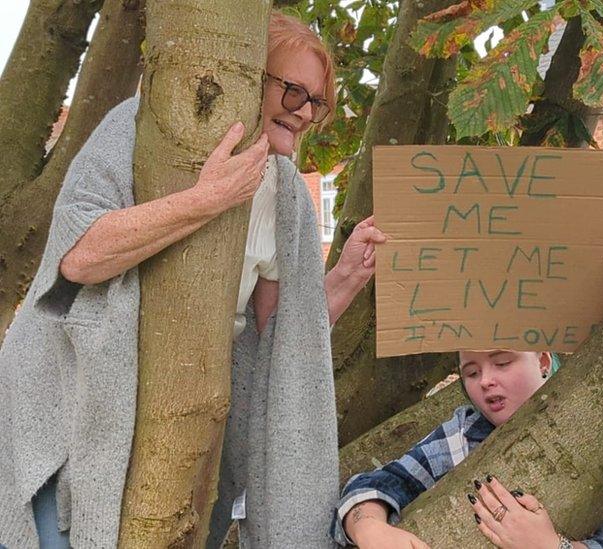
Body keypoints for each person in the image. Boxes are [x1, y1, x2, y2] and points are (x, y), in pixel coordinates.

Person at [0, 12, 383, 549]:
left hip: (183, 420)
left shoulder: (286, 193)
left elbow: (280, 335)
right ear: (249, 77)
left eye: (316, 103)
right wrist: (206, 200)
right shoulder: (140, 127)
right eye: (293, 92)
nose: (303, 114)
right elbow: (79, 258)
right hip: (71, 404)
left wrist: (343, 277)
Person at [332, 350, 603, 549]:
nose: (485, 381)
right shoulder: (465, 431)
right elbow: (381, 482)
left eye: (502, 362)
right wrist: (369, 528)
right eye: (471, 372)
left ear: (544, 360)